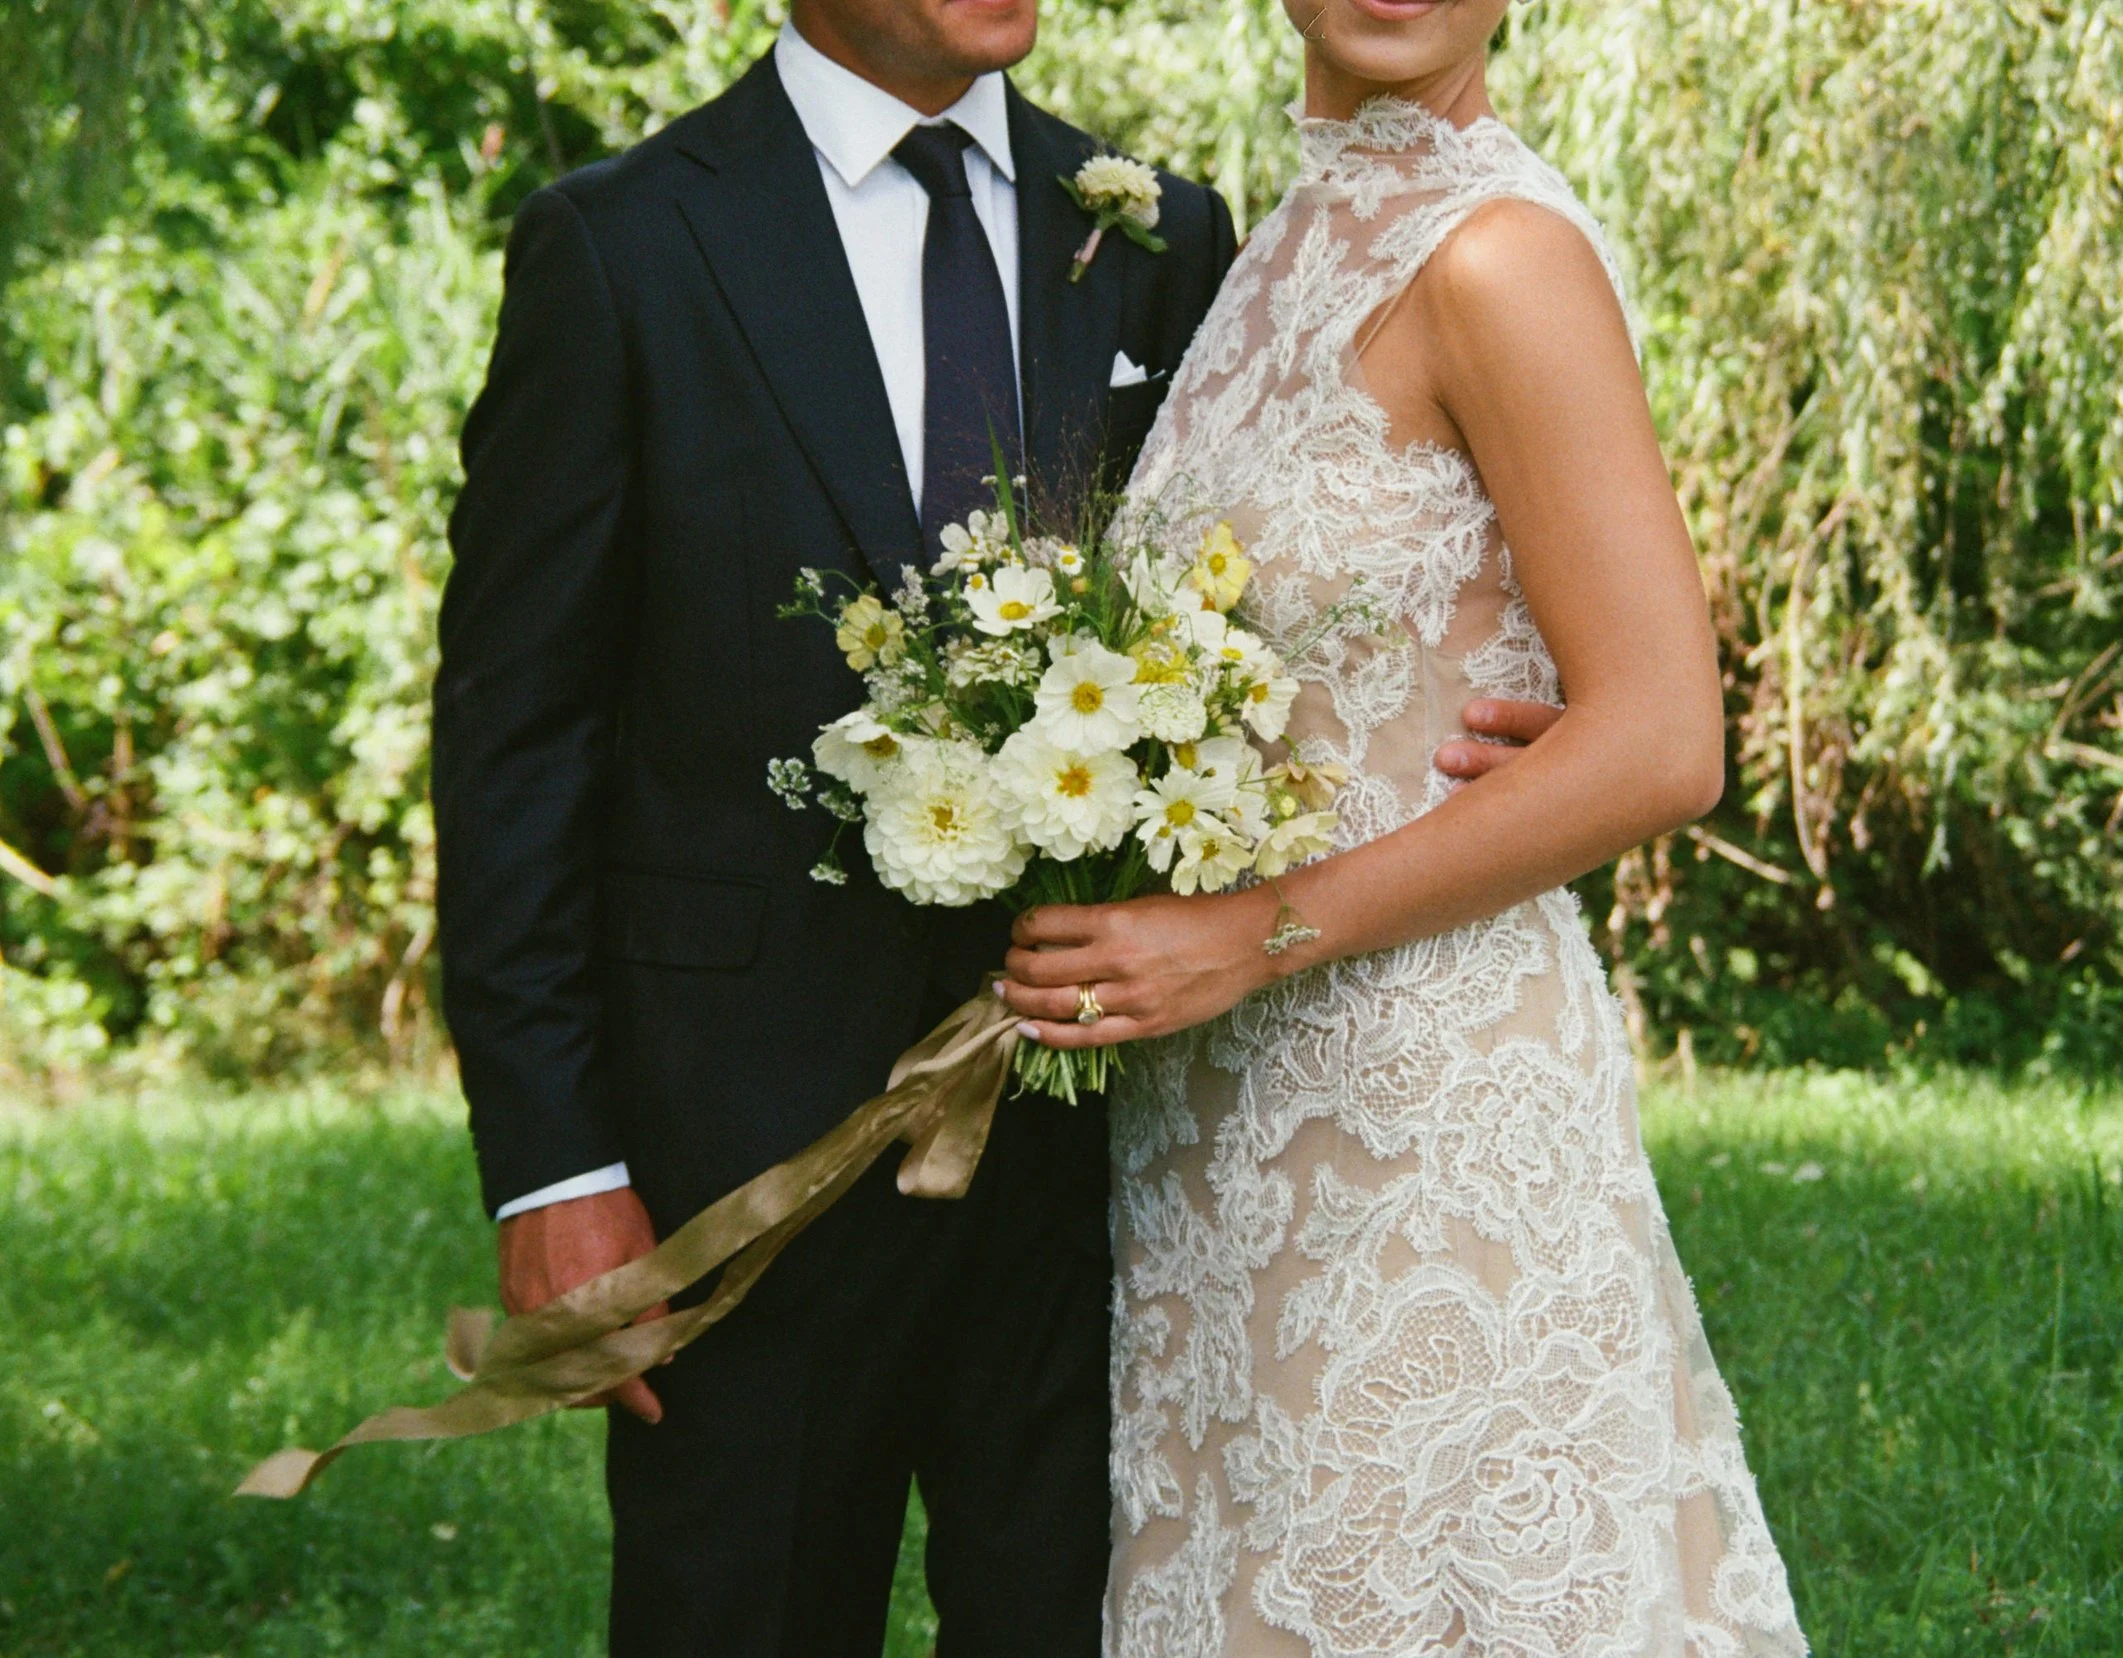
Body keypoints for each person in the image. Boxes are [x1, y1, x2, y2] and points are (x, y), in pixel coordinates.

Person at [432, 1, 1549, 1651]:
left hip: (1108, 1152)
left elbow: (1276, 586)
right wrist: (557, 1169)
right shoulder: (623, 246)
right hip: (740, 1155)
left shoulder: (1162, 234)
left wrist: (1501, 700)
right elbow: (516, 742)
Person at [995, 1, 1811, 1651]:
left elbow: (1666, 736)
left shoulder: (1501, 254)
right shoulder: (1271, 245)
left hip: (1423, 1107)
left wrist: (1257, 928)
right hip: (1220, 1121)